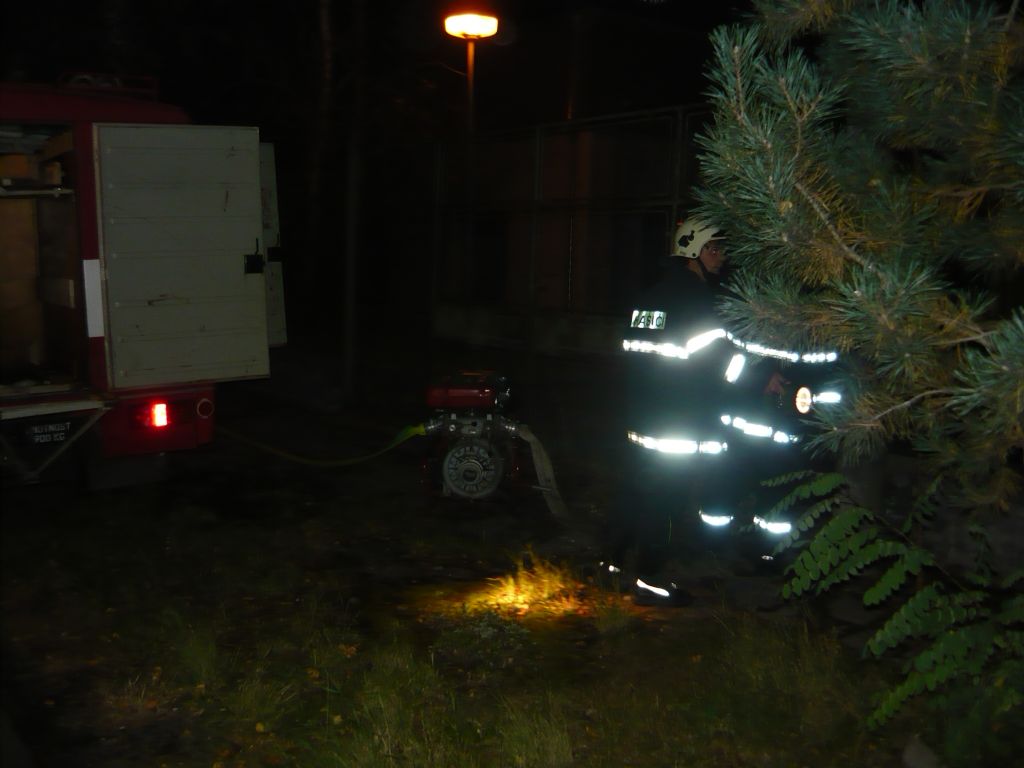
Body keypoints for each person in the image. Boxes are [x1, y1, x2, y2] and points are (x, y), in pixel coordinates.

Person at [606, 215, 805, 604]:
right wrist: (762, 380)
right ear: (692, 251)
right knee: (666, 503)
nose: (721, 256)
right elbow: (724, 367)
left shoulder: (647, 299)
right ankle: (651, 583)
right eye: (714, 249)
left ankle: (609, 566)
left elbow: (635, 358)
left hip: (641, 418)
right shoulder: (700, 304)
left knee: (634, 492)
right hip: (679, 425)